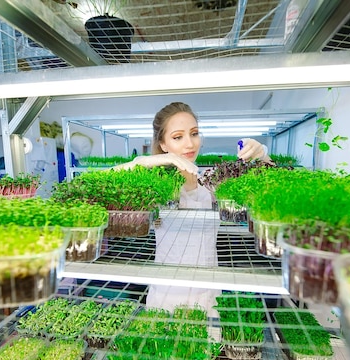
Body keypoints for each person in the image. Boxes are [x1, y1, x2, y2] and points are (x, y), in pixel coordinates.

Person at [115, 102, 271, 316]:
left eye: (194, 133)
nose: (190, 143)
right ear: (163, 143)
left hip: (207, 292)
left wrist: (263, 155)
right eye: (178, 137)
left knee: (207, 345)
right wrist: (150, 161)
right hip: (167, 293)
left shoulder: (211, 183)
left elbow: (273, 185)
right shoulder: (156, 186)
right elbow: (104, 178)